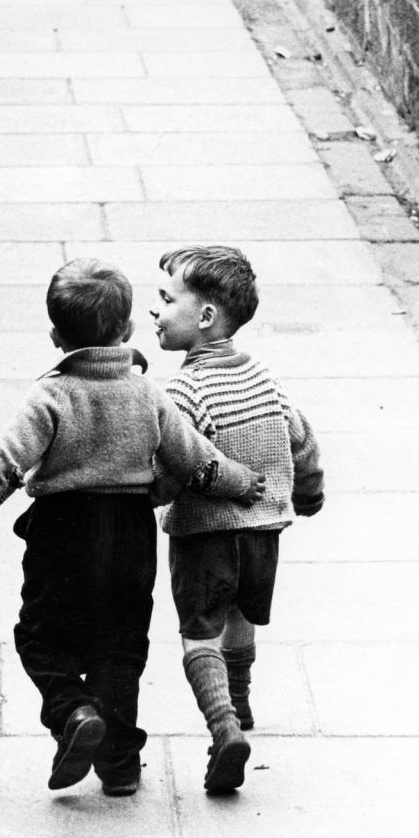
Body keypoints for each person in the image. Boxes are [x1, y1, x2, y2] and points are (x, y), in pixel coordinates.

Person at [0, 258, 264, 797]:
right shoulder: (149, 395)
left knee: (40, 636)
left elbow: (5, 465)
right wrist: (242, 481)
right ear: (127, 331)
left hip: (61, 533)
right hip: (129, 535)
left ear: (57, 336)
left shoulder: (51, 396)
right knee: (121, 649)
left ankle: (72, 710)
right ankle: (121, 767)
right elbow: (194, 462)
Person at [150, 244, 324, 794]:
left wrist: (147, 498)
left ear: (204, 317)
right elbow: (301, 438)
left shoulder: (184, 388)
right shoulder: (265, 378)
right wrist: (310, 493)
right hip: (266, 534)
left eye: (166, 299)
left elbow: (176, 463)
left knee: (200, 633)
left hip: (205, 536)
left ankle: (224, 728)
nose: (155, 311)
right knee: (241, 612)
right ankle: (242, 699)